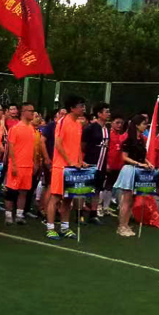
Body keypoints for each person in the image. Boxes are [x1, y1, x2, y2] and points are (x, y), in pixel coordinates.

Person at [46, 96, 86, 241]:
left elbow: (77, 146)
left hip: (73, 167)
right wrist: (70, 162)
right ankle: (50, 228)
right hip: (61, 167)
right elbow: (58, 144)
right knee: (56, 197)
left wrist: (80, 161)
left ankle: (65, 227)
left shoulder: (78, 124)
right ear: (72, 108)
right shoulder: (63, 121)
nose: (83, 108)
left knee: (69, 198)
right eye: (80, 106)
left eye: (83, 106)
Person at [114, 115, 153, 237]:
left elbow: (142, 156)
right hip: (130, 170)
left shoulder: (141, 140)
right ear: (137, 125)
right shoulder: (128, 140)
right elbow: (124, 157)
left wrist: (148, 163)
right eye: (143, 124)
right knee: (126, 200)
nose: (145, 126)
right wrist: (138, 163)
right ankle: (121, 226)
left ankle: (126, 224)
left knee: (132, 200)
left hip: (139, 170)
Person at [5, 102, 36, 225]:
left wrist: (34, 162)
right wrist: (13, 165)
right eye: (30, 111)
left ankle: (19, 214)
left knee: (24, 191)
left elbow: (33, 147)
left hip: (28, 166)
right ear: (23, 112)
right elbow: (11, 147)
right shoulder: (15, 128)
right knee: (11, 191)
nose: (33, 113)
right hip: (17, 165)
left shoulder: (32, 128)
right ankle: (8, 215)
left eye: (33, 111)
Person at [80, 102, 110, 225]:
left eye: (109, 111)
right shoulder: (90, 128)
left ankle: (93, 214)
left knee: (97, 189)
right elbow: (82, 146)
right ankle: (80, 214)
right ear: (99, 114)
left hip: (102, 164)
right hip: (90, 163)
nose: (108, 114)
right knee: (84, 188)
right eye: (106, 111)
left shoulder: (107, 129)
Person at [102, 116, 127, 217]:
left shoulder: (120, 136)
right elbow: (105, 150)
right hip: (108, 164)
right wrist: (106, 163)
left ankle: (106, 207)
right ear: (111, 123)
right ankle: (99, 207)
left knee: (110, 186)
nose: (119, 125)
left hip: (117, 165)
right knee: (104, 186)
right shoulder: (108, 135)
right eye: (117, 122)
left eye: (121, 123)